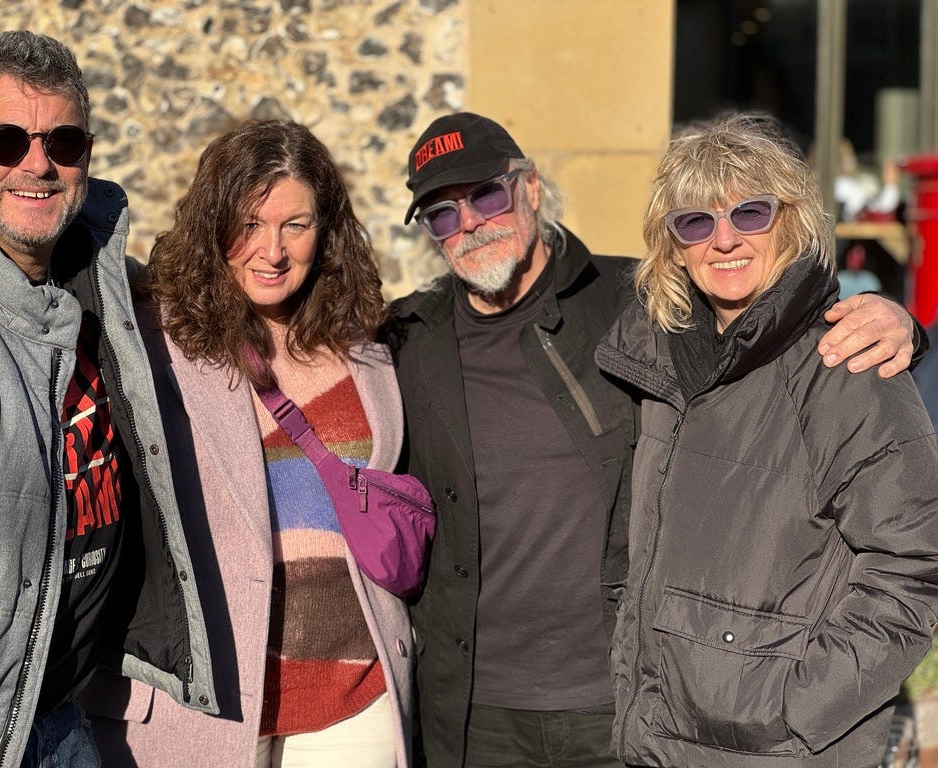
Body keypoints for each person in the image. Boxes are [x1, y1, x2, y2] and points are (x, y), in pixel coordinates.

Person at [384, 111, 924, 768]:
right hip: (483, 713)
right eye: (441, 213)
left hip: (619, 709)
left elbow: (910, 556)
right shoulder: (408, 340)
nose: (468, 222)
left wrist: (898, 325)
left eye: (486, 196)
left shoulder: (630, 305)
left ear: (527, 188)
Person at [594, 112, 938, 767]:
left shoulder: (845, 362)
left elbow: (915, 565)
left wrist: (792, 710)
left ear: (793, 220)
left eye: (750, 213)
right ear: (673, 243)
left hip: (777, 749)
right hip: (658, 741)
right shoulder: (655, 362)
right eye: (696, 221)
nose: (723, 239)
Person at [0, 30, 216, 768]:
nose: (39, 164)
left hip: (63, 718)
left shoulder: (97, 284)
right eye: (8, 140)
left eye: (65, 141)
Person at [82, 120, 415, 768]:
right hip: (209, 703)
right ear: (213, 224)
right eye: (250, 223)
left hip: (352, 697)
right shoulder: (157, 342)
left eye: (297, 224)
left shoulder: (364, 350)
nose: (273, 249)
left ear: (328, 230)